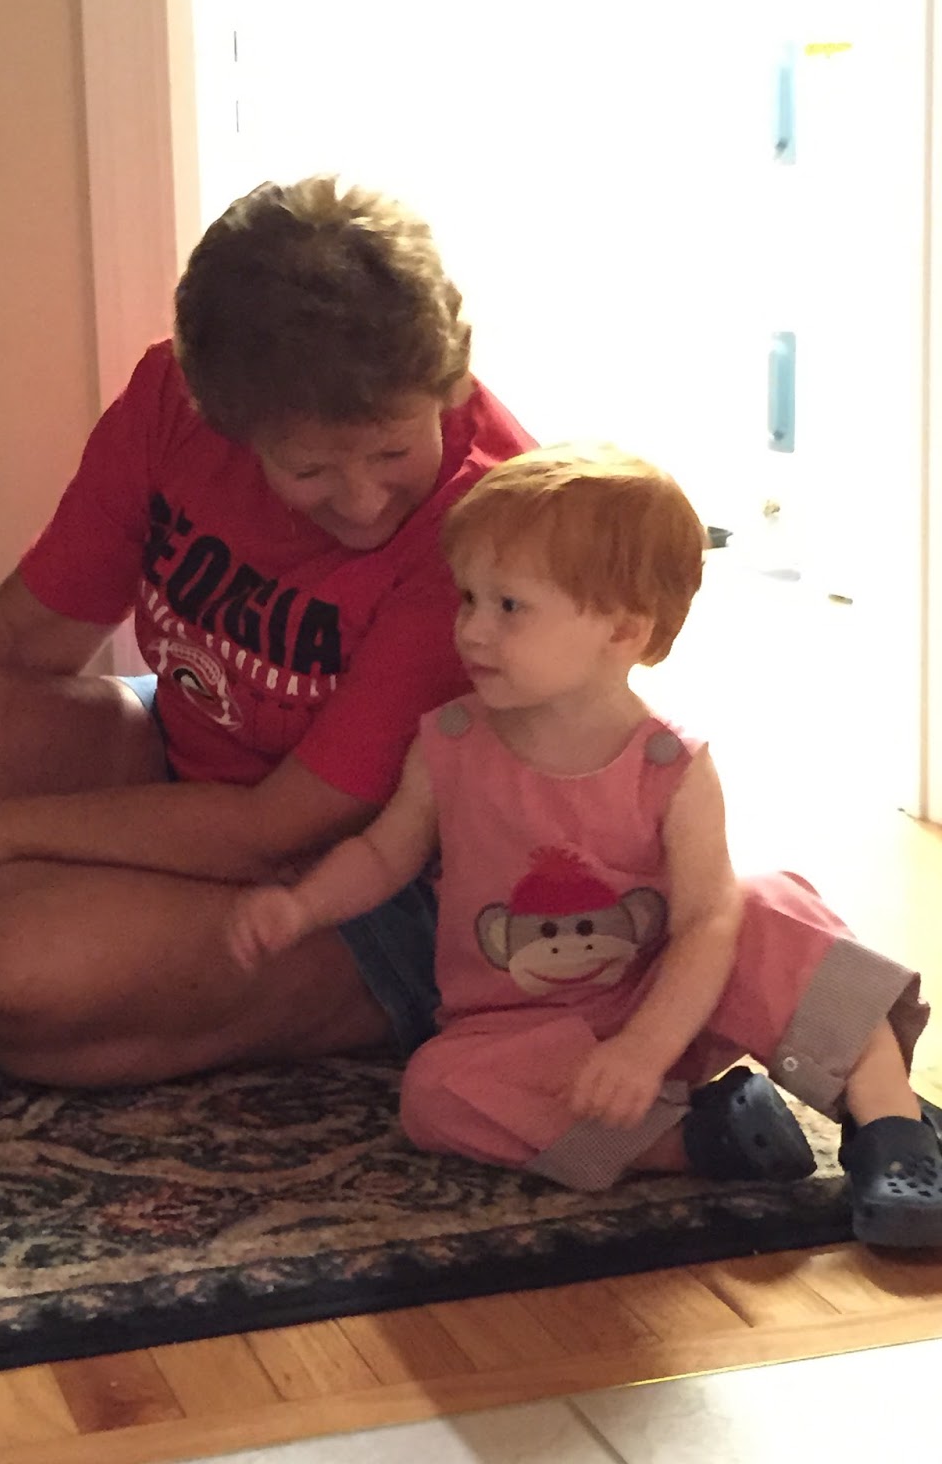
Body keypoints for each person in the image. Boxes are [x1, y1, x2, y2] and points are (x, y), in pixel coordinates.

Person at [0, 175, 535, 1087]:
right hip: (198, 748)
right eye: (310, 468)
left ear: (449, 383)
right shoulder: (175, 394)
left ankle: (396, 990)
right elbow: (26, 631)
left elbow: (278, 827)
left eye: (394, 450)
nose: (362, 501)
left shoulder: (486, 519)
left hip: (372, 870)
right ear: (225, 423)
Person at [227, 443, 942, 1247]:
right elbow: (383, 855)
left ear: (623, 630)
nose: (472, 629)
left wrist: (647, 1045)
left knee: (767, 903)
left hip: (671, 1000)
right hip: (522, 1033)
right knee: (436, 1090)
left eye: (509, 606)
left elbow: (706, 923)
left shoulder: (669, 765)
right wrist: (302, 906)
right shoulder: (451, 741)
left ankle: (892, 1126)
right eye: (469, 598)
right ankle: (699, 1138)